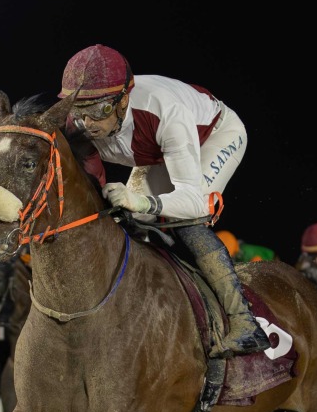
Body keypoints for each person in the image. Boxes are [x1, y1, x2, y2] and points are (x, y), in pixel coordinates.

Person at [58, 44, 269, 358]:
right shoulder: (78, 124)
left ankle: (245, 322)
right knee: (129, 222)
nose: (87, 124)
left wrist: (143, 203)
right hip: (155, 150)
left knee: (185, 221)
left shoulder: (165, 111)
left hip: (215, 135)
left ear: (123, 100)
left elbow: (194, 201)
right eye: (78, 110)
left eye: (98, 111)